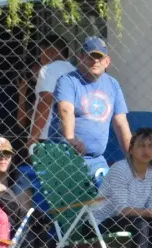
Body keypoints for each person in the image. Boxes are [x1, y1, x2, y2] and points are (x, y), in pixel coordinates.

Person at [54, 37, 131, 184]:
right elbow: (65, 110)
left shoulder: (113, 85)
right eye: (91, 57)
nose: (95, 61)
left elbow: (121, 123)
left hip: (97, 160)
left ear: (107, 61)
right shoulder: (68, 81)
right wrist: (71, 139)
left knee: (111, 197)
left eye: (99, 57)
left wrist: (133, 155)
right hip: (67, 158)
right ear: (81, 57)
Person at [27, 41, 76, 148]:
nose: (40, 57)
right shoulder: (75, 71)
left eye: (42, 53)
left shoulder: (47, 69)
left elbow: (45, 102)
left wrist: (33, 137)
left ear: (50, 52)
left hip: (47, 134)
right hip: (70, 132)